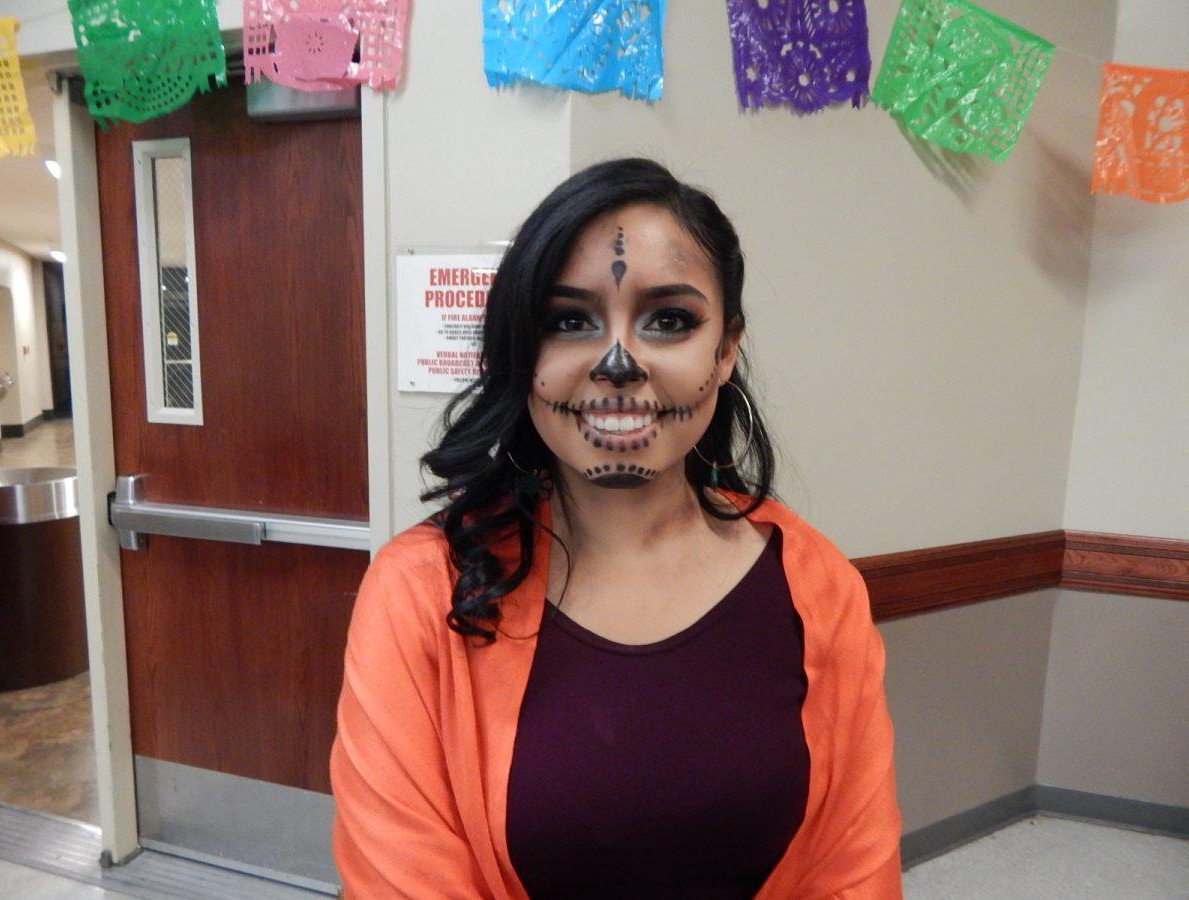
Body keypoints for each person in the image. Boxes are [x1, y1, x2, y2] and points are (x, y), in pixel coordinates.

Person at [330, 158, 902, 898]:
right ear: (522, 350)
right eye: (569, 320)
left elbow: (853, 873)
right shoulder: (418, 593)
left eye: (669, 320)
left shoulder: (819, 587)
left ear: (725, 349)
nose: (618, 363)